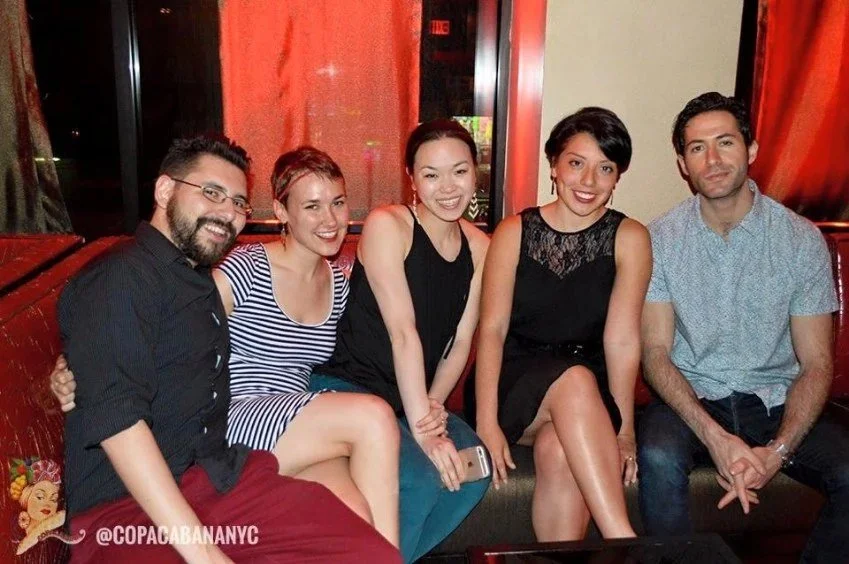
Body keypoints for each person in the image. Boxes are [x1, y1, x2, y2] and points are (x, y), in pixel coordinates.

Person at [57, 135, 400, 563]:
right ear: (165, 190)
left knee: (367, 548)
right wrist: (206, 556)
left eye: (238, 202)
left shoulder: (195, 281)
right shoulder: (122, 276)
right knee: (372, 421)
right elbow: (118, 419)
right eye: (212, 193)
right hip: (125, 513)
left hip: (213, 474)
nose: (228, 212)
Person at [638, 92, 848, 563]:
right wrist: (715, 435)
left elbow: (816, 363)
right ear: (682, 163)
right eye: (696, 148)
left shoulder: (799, 240)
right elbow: (655, 353)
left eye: (725, 143)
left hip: (774, 400)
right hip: (691, 399)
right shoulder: (660, 240)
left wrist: (777, 452)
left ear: (751, 150)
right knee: (657, 456)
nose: (712, 160)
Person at [310, 118, 491, 562]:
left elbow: (461, 339)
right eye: (431, 174)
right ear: (412, 179)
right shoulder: (389, 224)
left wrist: (431, 410)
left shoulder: (481, 246)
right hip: (349, 388)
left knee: (475, 469)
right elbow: (402, 332)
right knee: (419, 476)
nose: (448, 187)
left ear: (475, 173)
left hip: (410, 397)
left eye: (460, 171)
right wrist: (424, 433)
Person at [474, 107, 649, 541]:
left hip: (587, 394)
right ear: (553, 165)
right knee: (573, 381)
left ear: (617, 177)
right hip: (516, 385)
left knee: (558, 449)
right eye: (576, 163)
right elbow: (492, 330)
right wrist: (485, 421)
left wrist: (625, 429)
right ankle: (622, 541)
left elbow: (623, 340)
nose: (589, 182)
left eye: (604, 168)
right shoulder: (514, 231)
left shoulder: (630, 237)